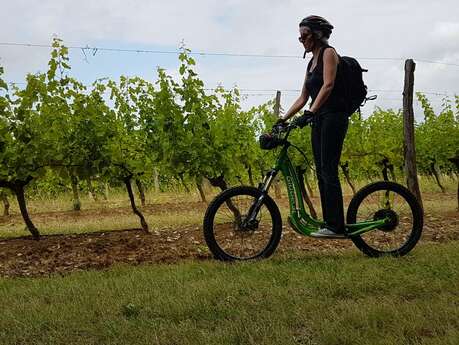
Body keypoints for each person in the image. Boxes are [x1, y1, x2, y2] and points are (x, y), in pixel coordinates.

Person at [277, 15, 348, 236]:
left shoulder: (329, 53)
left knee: (329, 170)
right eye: (300, 37)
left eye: (304, 35)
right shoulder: (310, 63)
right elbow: (303, 96)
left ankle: (336, 226)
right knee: (321, 172)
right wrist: (284, 119)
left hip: (334, 117)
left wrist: (310, 112)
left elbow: (328, 85)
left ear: (317, 35)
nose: (302, 40)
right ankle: (329, 223)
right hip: (319, 119)